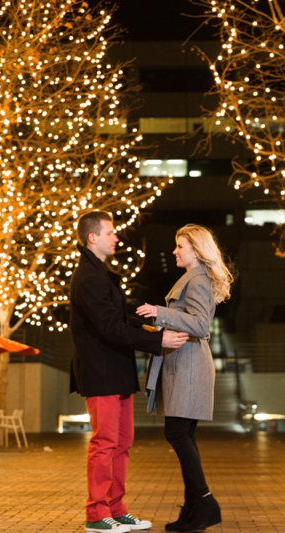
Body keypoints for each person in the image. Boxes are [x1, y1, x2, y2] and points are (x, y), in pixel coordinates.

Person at [70, 210, 189, 533]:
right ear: (92, 237)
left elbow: (119, 319)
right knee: (105, 443)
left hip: (117, 370)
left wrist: (152, 331)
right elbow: (109, 327)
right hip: (101, 371)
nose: (116, 237)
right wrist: (158, 340)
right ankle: (96, 514)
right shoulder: (88, 278)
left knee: (122, 443)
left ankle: (116, 508)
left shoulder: (100, 274)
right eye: (110, 233)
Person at [136, 224, 233, 532]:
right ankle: (194, 511)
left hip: (190, 366)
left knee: (177, 434)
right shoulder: (192, 278)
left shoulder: (199, 280)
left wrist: (160, 312)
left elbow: (201, 325)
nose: (175, 251)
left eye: (180, 246)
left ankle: (204, 501)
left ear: (196, 250)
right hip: (185, 363)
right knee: (183, 435)